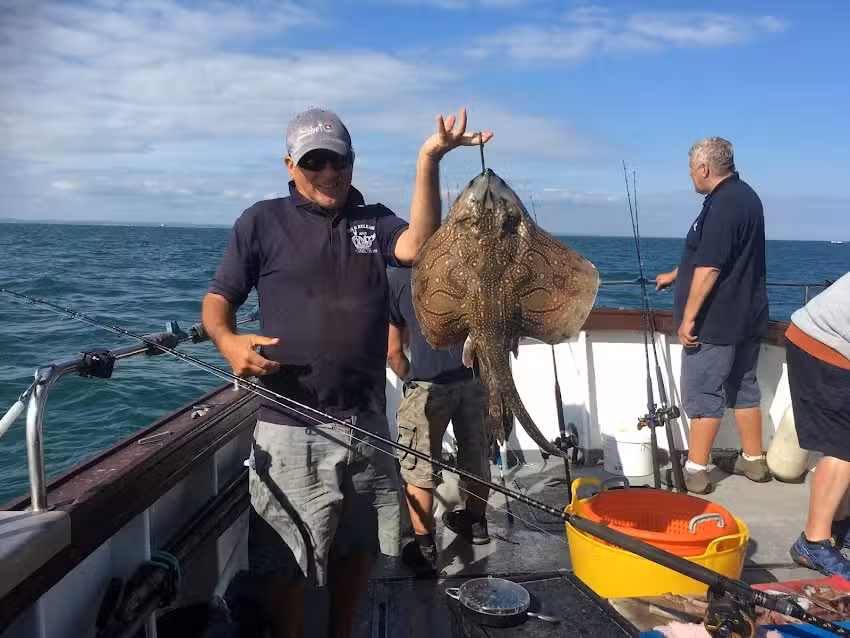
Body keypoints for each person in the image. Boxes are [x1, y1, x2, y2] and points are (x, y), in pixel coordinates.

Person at [201, 106, 492, 638]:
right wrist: (227, 340)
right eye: (314, 162)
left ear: (352, 162)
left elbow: (419, 246)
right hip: (291, 422)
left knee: (358, 546)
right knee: (287, 559)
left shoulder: (373, 222)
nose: (329, 172)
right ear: (290, 165)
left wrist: (429, 158)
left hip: (366, 420)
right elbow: (219, 299)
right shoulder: (261, 221)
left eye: (338, 161)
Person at [655, 136, 771, 494]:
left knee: (704, 393)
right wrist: (677, 274)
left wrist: (689, 318)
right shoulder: (745, 197)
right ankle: (754, 461)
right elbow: (714, 254)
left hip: (715, 323)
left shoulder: (723, 205)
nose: (690, 175)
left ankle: (695, 471)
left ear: (705, 168)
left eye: (692, 169)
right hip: (747, 317)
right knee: (744, 388)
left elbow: (710, 269)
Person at [386, 266, 492, 576]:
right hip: (473, 381)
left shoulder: (398, 277)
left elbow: (393, 353)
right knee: (476, 454)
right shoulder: (473, 269)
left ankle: (424, 547)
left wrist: (412, 380)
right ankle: (476, 523)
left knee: (419, 465)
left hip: (427, 386)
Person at [785, 273, 850, 578]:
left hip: (830, 340)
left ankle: (840, 524)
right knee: (842, 445)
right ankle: (813, 543)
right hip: (824, 347)